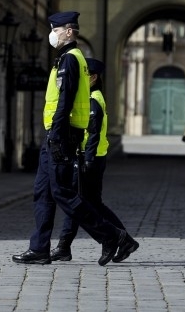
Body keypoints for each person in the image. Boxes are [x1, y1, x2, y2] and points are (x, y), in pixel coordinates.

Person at [12, 11, 138, 266]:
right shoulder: (66, 59)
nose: (53, 34)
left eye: (55, 30)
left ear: (68, 31)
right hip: (54, 135)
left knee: (63, 193)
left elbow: (65, 100)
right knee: (43, 193)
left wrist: (57, 136)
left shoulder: (70, 59)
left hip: (62, 134)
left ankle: (112, 235)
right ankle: (39, 249)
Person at [50, 58, 138, 263]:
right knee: (84, 203)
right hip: (90, 158)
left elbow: (94, 133)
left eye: (85, 76)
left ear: (94, 78)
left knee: (82, 204)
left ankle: (119, 239)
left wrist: (88, 160)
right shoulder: (91, 96)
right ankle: (66, 246)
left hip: (91, 159)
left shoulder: (93, 100)